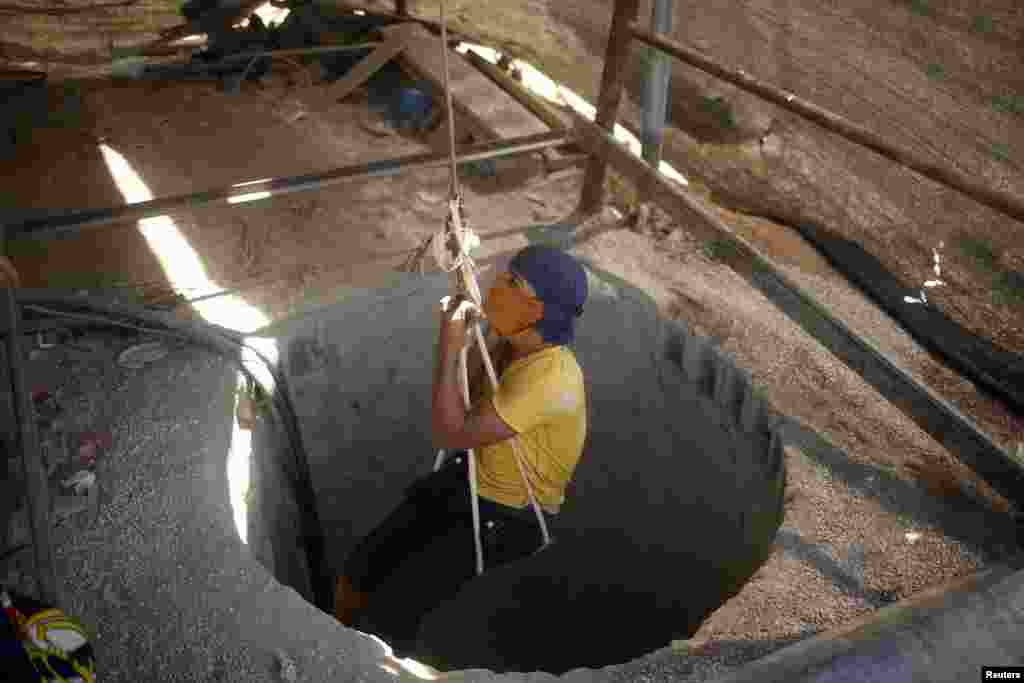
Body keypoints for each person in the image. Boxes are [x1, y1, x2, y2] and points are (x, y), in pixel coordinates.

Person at [333, 245, 589, 659]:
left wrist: (449, 346)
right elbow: (467, 394)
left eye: (513, 283)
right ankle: (328, 648)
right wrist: (475, 338)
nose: (495, 286)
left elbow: (450, 431)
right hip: (469, 477)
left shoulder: (551, 380)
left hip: (507, 516)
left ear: (541, 309)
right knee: (363, 565)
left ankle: (378, 668)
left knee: (395, 610)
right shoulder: (511, 344)